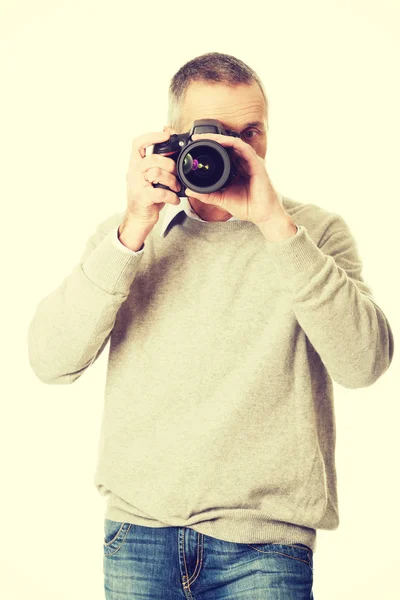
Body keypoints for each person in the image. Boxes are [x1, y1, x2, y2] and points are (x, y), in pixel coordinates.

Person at [27, 52, 394, 599]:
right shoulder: (130, 235)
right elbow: (50, 362)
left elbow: (365, 363)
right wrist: (132, 230)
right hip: (138, 536)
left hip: (266, 547)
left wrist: (275, 225)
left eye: (250, 134)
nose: (234, 149)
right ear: (171, 138)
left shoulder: (311, 233)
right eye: (214, 133)